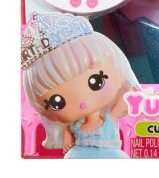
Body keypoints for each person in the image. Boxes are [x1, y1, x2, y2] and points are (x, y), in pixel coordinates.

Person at [22, 13, 139, 158]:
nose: (83, 103)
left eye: (96, 82)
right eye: (57, 102)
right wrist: (66, 140)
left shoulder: (108, 119)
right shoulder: (76, 126)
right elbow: (68, 130)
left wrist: (130, 85)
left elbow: (124, 102)